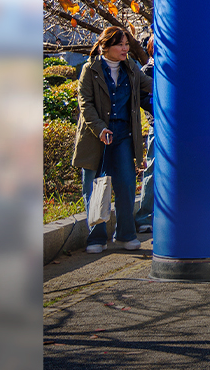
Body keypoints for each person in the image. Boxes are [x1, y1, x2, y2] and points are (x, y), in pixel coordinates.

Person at [75, 26, 152, 254]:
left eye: (127, 44)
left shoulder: (131, 68)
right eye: (120, 44)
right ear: (105, 46)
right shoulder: (90, 69)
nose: (125, 49)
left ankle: (125, 235)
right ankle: (96, 238)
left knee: (127, 184)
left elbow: (150, 86)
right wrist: (100, 129)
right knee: (95, 187)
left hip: (124, 135)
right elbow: (85, 104)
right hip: (96, 136)